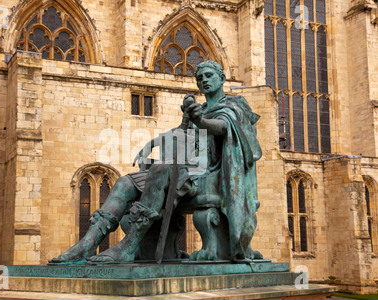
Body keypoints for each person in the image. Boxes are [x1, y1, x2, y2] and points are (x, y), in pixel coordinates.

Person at [49, 60, 262, 264]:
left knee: (160, 168)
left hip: (207, 175)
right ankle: (86, 245)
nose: (204, 80)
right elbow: (181, 133)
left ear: (222, 78)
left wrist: (201, 121)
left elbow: (223, 128)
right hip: (182, 170)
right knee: (125, 183)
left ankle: (128, 247)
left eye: (209, 76)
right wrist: (154, 142)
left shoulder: (234, 105)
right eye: (199, 78)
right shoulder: (200, 108)